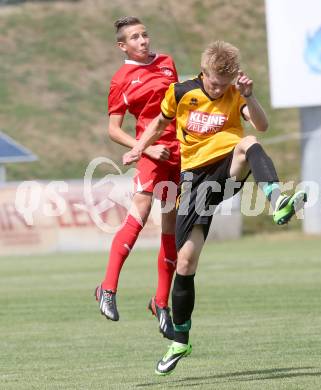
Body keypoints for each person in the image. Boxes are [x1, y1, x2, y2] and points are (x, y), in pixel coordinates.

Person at [123, 40, 307, 375]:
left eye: (226, 84)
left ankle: (277, 199)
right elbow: (159, 124)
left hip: (228, 168)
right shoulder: (180, 93)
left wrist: (249, 95)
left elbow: (261, 126)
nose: (219, 89)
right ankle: (180, 339)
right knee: (186, 262)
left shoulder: (236, 92)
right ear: (203, 71)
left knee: (249, 142)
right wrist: (138, 148)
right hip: (194, 181)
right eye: (214, 84)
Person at [94, 16, 181, 341]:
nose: (143, 41)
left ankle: (160, 303)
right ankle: (108, 288)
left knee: (173, 229)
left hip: (179, 154)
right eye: (135, 37)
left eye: (144, 34)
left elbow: (176, 107)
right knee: (140, 215)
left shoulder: (167, 63)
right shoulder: (122, 79)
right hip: (151, 155)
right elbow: (113, 130)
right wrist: (144, 149)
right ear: (123, 45)